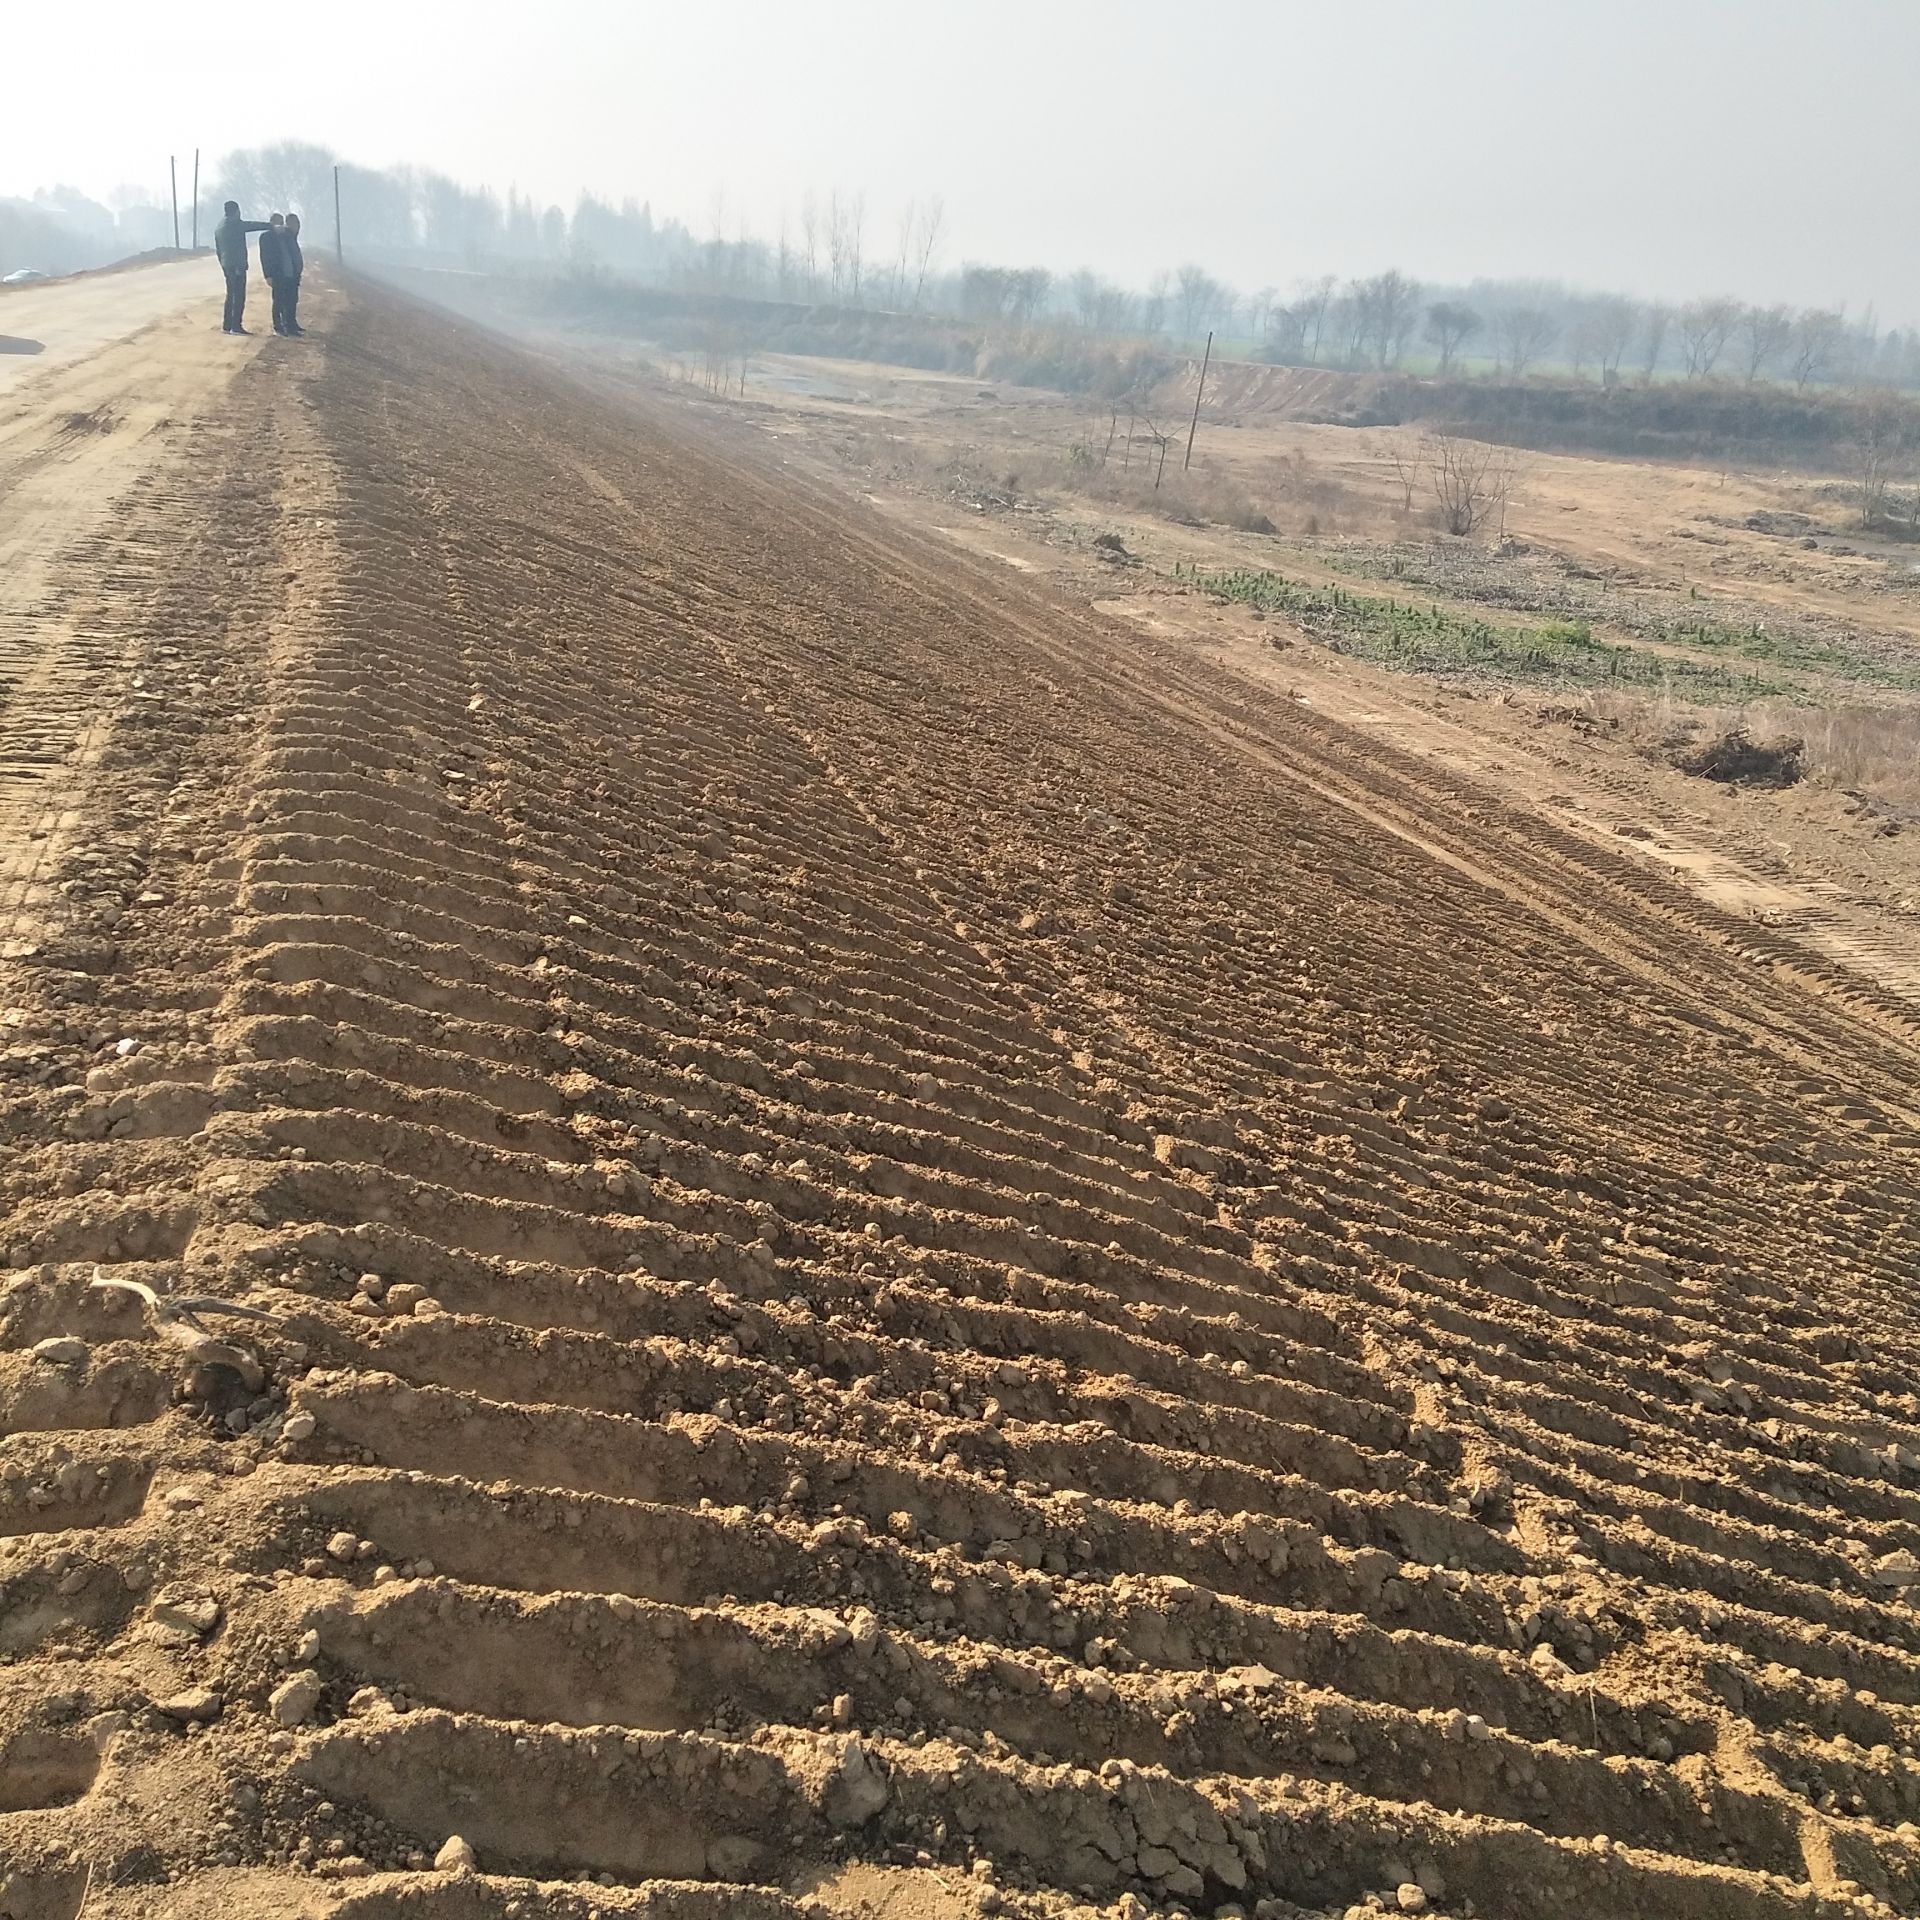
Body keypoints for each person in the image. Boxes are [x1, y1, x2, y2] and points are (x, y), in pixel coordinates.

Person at [213, 199, 272, 334]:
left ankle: (227, 325)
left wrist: (223, 263)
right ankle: (236, 326)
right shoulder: (235, 224)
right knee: (238, 295)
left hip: (227, 264)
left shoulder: (219, 227)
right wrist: (270, 226)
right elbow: (252, 225)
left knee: (231, 294)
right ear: (236, 211)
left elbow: (218, 249)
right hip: (237, 265)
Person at [259, 214, 288, 335]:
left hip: (286, 272)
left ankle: (287, 324)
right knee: (278, 300)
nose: (280, 225)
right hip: (275, 273)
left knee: (287, 300)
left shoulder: (285, 236)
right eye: (277, 222)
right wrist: (267, 275)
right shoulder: (266, 237)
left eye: (281, 223)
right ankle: (277, 326)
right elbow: (264, 257)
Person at [279, 214, 305, 336]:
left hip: (293, 273)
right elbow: (288, 257)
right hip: (288, 274)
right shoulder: (286, 237)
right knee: (288, 301)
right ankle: (288, 326)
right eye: (296, 224)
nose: (298, 227)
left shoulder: (291, 237)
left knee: (293, 300)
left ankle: (292, 323)